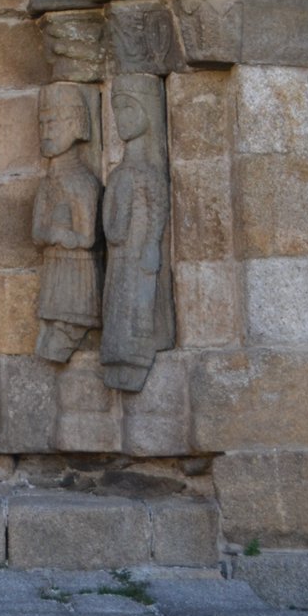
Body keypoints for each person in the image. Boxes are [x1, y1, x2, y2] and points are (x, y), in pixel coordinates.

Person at [100, 74, 175, 392]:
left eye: (129, 110)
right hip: (119, 254)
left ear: (147, 111)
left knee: (139, 302)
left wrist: (152, 245)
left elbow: (157, 212)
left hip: (139, 251)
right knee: (118, 299)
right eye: (116, 111)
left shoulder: (148, 173)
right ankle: (116, 352)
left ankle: (139, 350)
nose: (120, 119)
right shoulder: (119, 172)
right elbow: (110, 218)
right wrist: (114, 231)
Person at [32, 83, 102, 363]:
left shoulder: (81, 182)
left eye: (54, 122)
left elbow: (87, 238)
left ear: (75, 125)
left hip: (76, 278)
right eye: (42, 123)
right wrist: (54, 234)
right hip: (55, 270)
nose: (46, 130)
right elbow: (37, 232)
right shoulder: (48, 182)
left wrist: (60, 234)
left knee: (59, 339)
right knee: (47, 342)